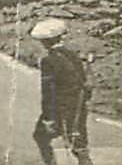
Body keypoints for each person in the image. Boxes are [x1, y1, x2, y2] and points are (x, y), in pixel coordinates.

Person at [31, 18, 94, 165]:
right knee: (79, 143)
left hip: (60, 108)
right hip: (78, 105)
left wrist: (48, 116)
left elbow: (48, 91)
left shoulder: (49, 60)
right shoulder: (72, 55)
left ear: (45, 41)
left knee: (40, 136)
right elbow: (82, 80)